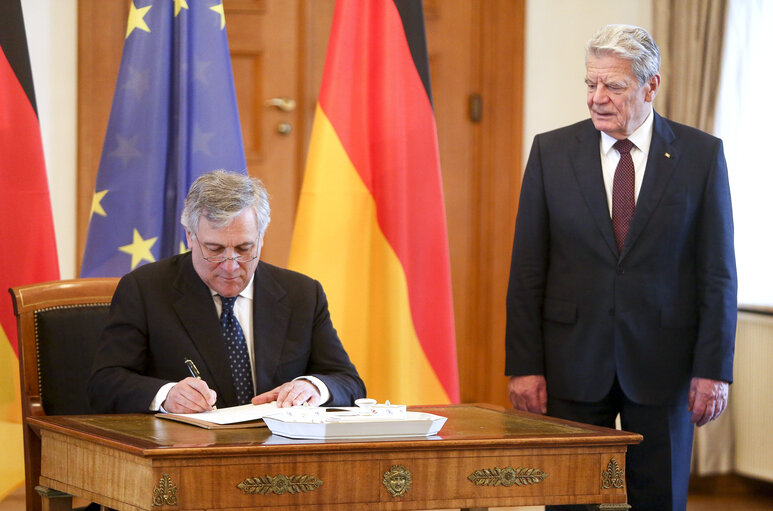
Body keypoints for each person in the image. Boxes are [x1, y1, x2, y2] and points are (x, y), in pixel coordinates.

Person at [505, 24, 736, 511]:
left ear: (651, 86)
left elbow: (717, 274)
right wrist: (524, 366)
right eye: (591, 84)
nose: (597, 98)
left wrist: (713, 369)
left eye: (614, 86)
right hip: (571, 362)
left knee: (661, 498)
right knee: (569, 498)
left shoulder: (700, 156)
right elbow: (527, 270)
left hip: (663, 363)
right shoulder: (551, 152)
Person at [89, 170, 366, 414]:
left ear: (261, 237)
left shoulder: (302, 293)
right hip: (186, 454)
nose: (231, 266)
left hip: (280, 453)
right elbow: (105, 383)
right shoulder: (145, 290)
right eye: (215, 250)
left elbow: (348, 382)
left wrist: (313, 387)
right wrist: (166, 395)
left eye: (245, 249)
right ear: (190, 237)